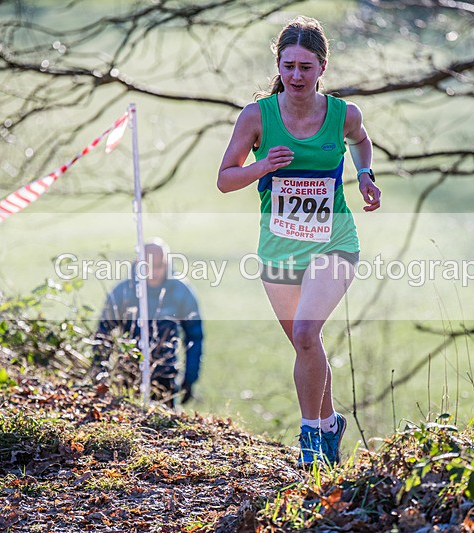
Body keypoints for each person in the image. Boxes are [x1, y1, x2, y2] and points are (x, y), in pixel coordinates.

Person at [217, 16, 381, 467]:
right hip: (279, 248)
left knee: (307, 332)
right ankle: (329, 424)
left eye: (305, 67)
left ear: (322, 67)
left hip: (334, 241)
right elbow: (225, 179)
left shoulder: (343, 114)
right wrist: (262, 166)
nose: (295, 76)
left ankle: (310, 439)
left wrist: (366, 174)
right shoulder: (257, 117)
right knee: (305, 345)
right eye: (288, 65)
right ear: (278, 65)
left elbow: (361, 141)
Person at [93, 239, 204, 408]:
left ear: (167, 264)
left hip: (166, 376)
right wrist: (100, 371)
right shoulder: (123, 292)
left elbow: (194, 336)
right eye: (147, 266)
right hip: (127, 375)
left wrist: (190, 378)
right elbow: (103, 333)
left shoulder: (181, 291)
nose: (153, 272)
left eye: (159, 266)